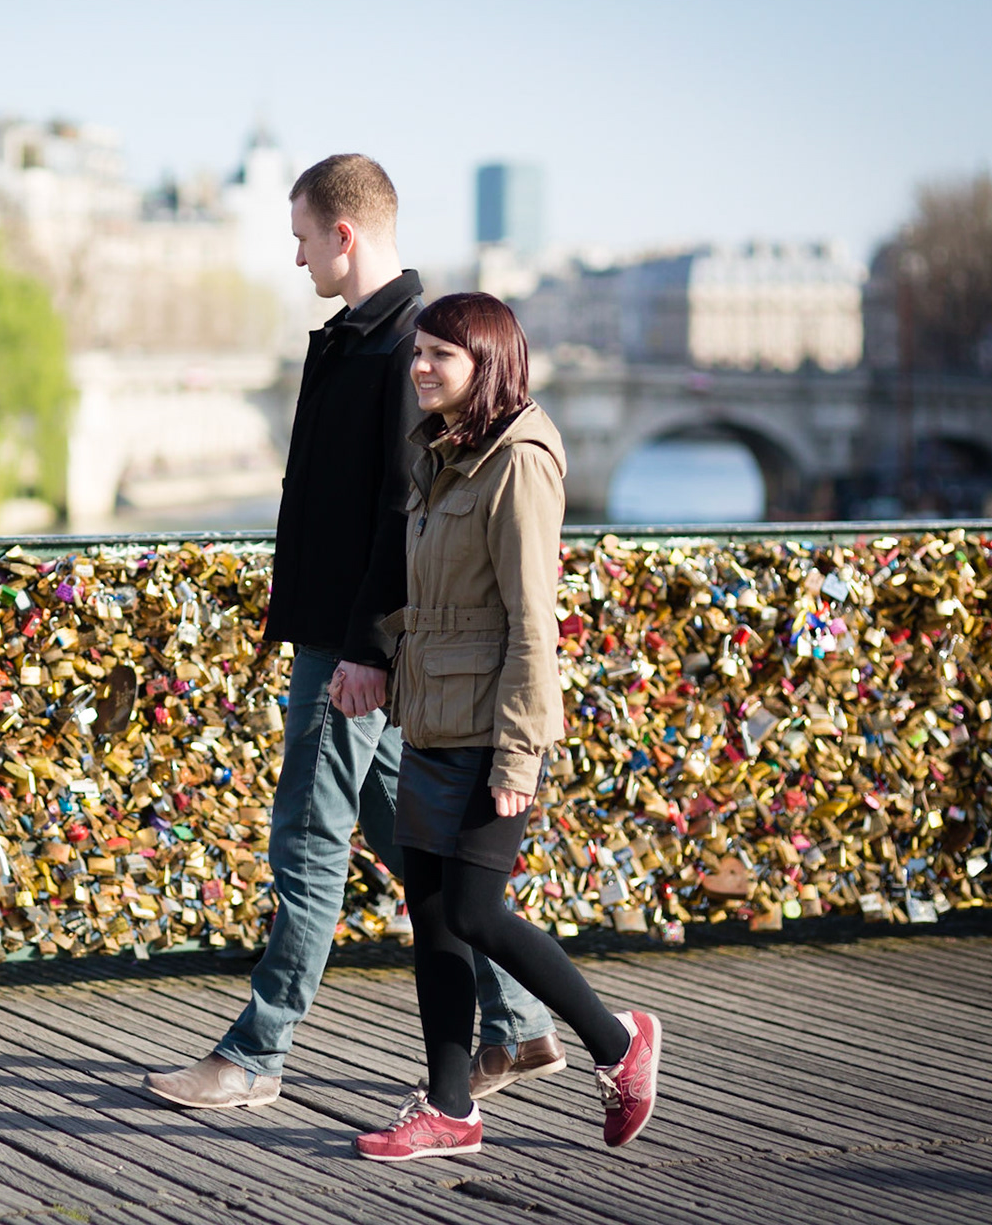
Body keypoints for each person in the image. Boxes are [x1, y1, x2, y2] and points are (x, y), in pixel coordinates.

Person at [143, 156, 564, 1112]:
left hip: (349, 643)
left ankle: (256, 1055)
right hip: (332, 632)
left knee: (306, 841)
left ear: (345, 234)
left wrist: (368, 649)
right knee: (398, 833)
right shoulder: (357, 339)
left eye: (300, 237)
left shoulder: (402, 351)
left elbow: (395, 513)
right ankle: (518, 1022)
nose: (294, 258)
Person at [353, 293, 662, 1162]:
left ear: (485, 363)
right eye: (419, 353)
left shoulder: (519, 462)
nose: (421, 368)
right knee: (435, 916)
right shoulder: (444, 454)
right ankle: (449, 1109)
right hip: (433, 717)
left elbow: (534, 620)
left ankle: (620, 1043)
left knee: (479, 913)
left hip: (493, 729)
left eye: (440, 357)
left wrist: (520, 754)